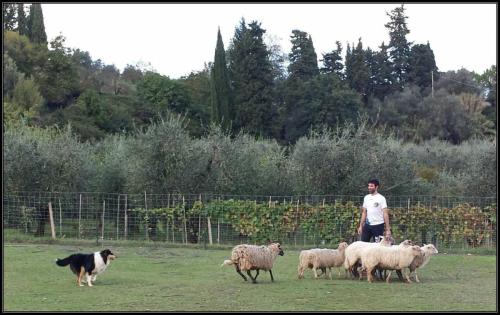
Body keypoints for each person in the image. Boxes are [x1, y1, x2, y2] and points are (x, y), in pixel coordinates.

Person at [357, 178, 391, 242]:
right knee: (364, 245)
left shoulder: (381, 198)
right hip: (367, 225)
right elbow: (364, 212)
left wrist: (388, 229)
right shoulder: (366, 197)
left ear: (376, 187)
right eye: (369, 186)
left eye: (371, 186)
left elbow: (385, 213)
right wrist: (361, 226)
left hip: (378, 226)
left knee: (378, 246)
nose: (369, 187)